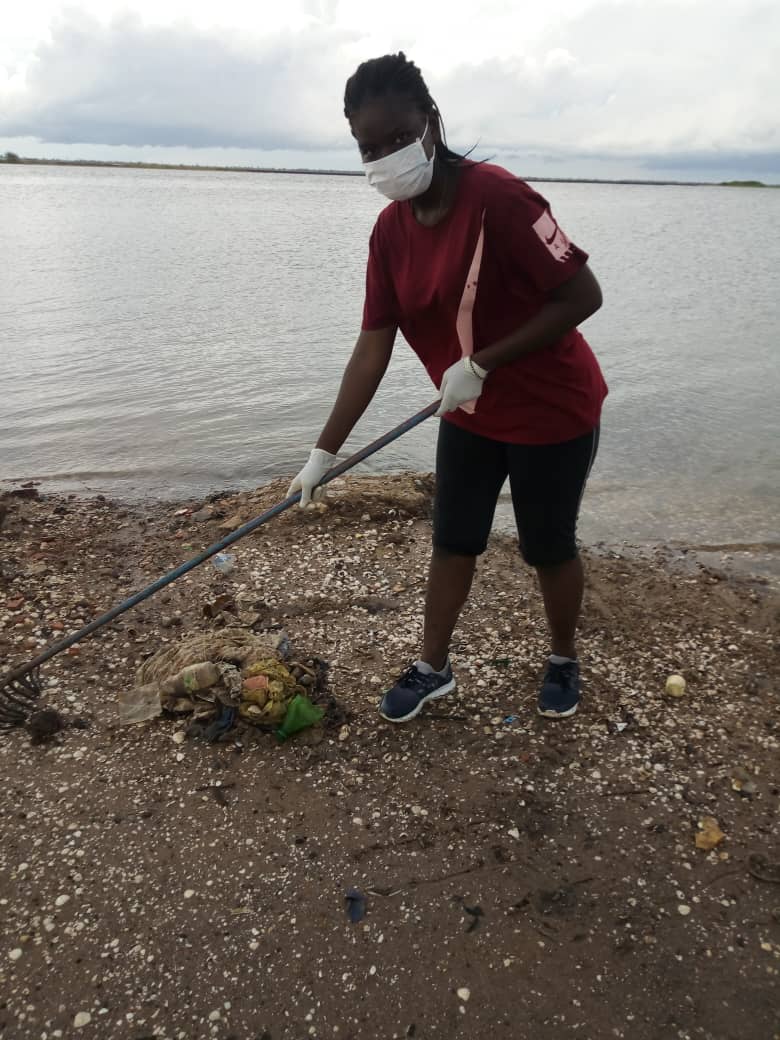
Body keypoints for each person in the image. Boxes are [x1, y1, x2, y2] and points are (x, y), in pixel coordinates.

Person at [288, 52, 607, 724]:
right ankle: (433, 668)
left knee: (547, 545)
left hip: (553, 409)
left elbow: (582, 294)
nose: (382, 158)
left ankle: (562, 656)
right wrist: (323, 455)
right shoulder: (389, 232)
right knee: (453, 537)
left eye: (395, 139)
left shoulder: (498, 197)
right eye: (367, 148)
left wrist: (485, 361)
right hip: (467, 412)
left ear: (430, 125)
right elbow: (373, 345)